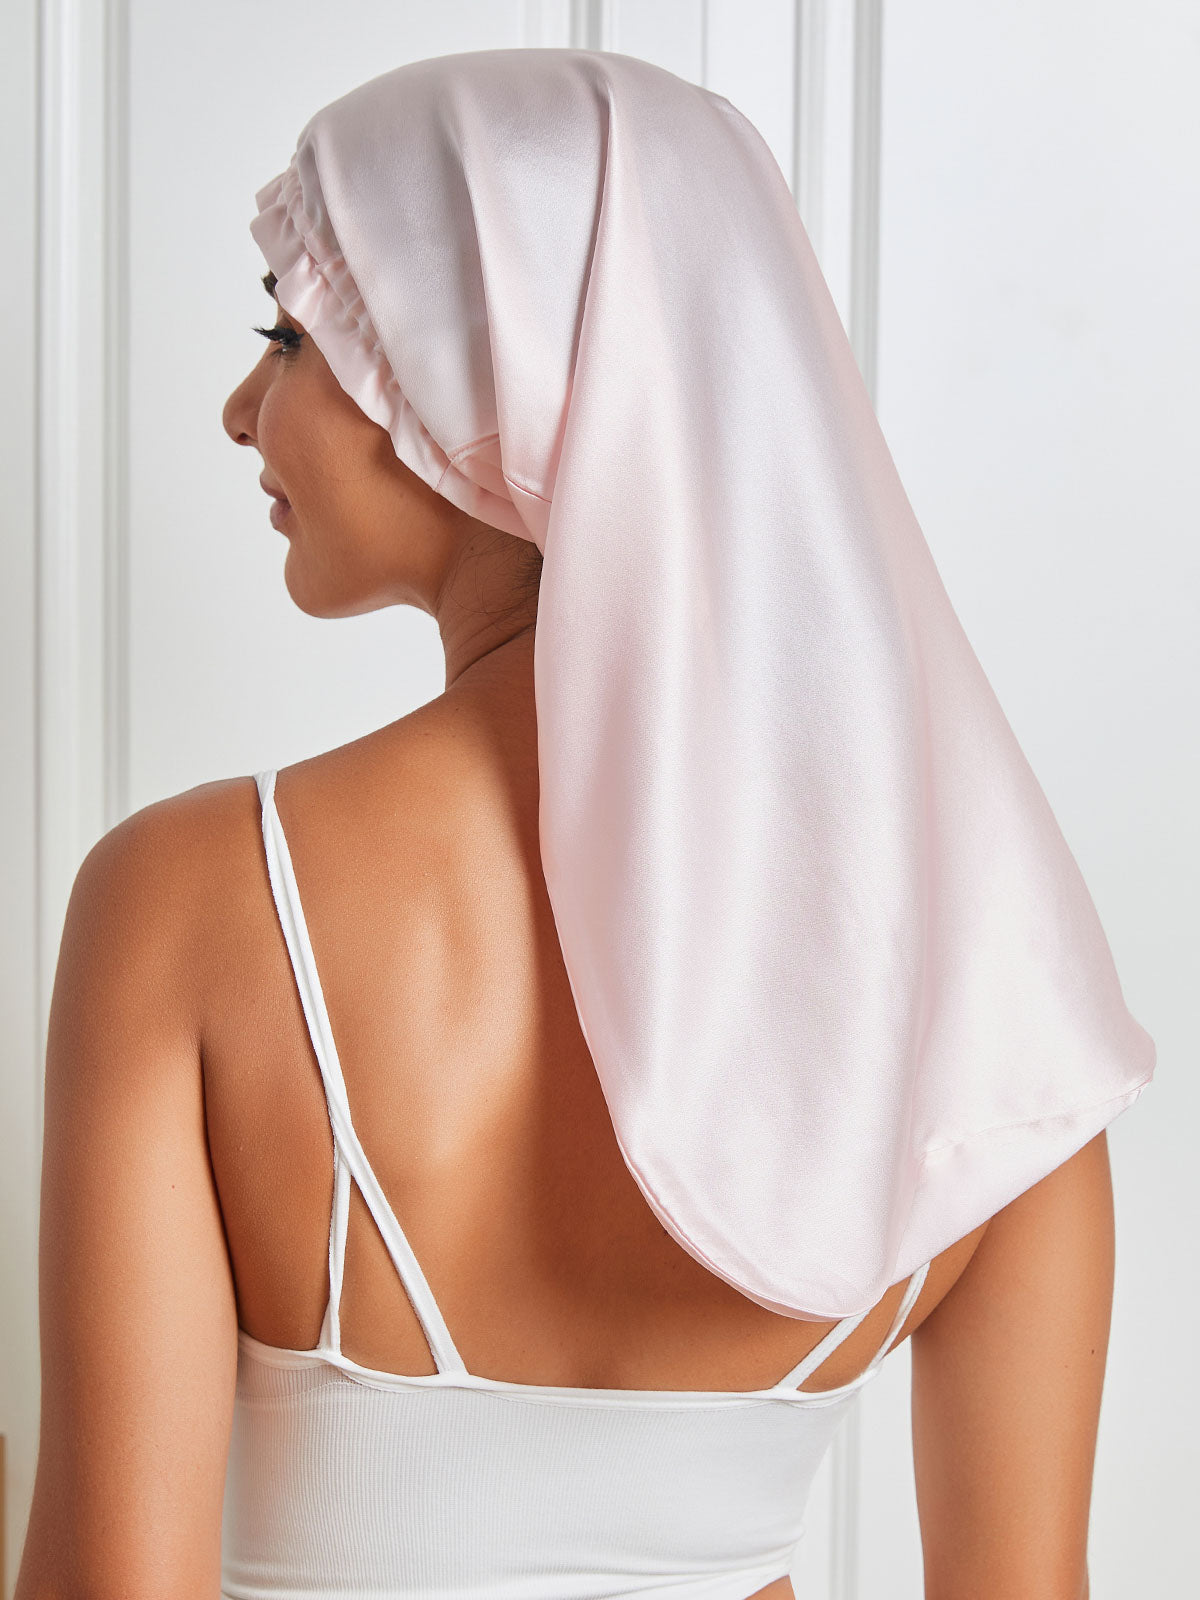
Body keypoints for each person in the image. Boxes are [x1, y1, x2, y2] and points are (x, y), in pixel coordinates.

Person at [16, 48, 1152, 1600]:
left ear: (477, 375)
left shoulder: (191, 899)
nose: (239, 409)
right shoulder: (1000, 996)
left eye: (291, 336)